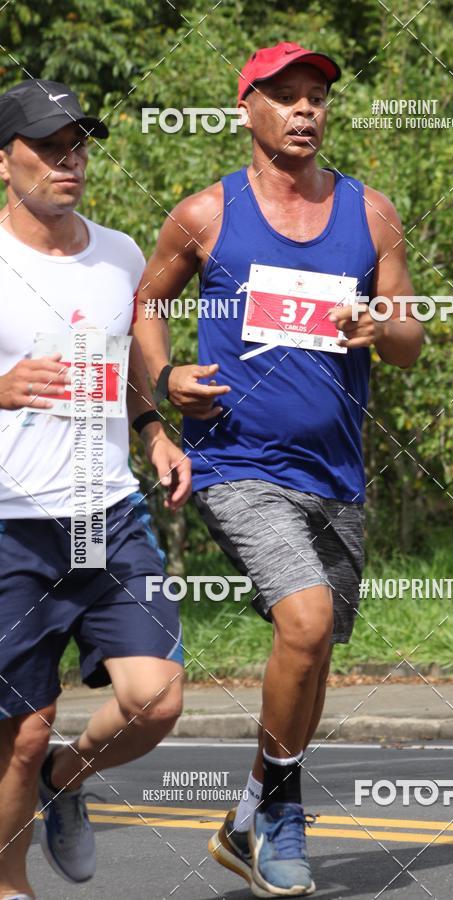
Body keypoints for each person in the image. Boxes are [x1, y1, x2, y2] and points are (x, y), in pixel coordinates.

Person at [133, 40, 424, 896]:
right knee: (304, 621)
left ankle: (249, 813)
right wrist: (164, 380)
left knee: (317, 650)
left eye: (317, 98)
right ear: (247, 109)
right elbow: (146, 305)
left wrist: (382, 325)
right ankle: (285, 813)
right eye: (285, 96)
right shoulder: (205, 215)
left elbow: (409, 338)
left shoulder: (370, 214)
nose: (305, 111)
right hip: (238, 462)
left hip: (336, 473)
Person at [0, 80, 191, 900]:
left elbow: (131, 374)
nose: (67, 159)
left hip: (106, 511)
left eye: (77, 143)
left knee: (157, 698)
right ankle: (11, 886)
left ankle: (67, 779)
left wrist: (154, 433)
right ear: (3, 159)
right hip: (11, 524)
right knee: (20, 730)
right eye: (47, 144)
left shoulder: (118, 254)